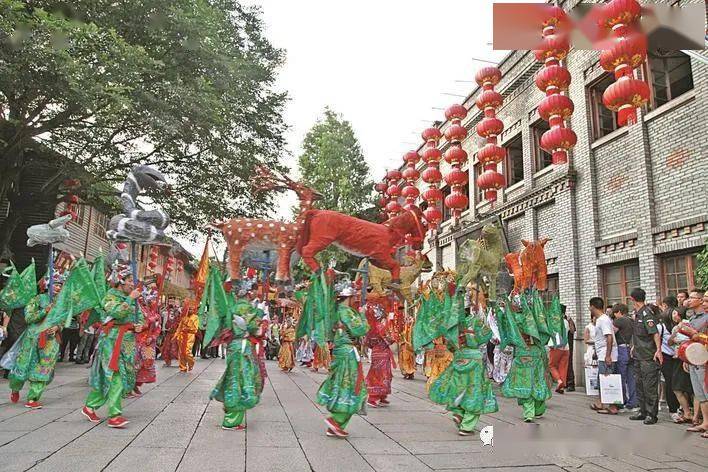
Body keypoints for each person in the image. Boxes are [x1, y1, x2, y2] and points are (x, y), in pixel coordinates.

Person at [430, 285, 498, 436]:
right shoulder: (475, 321)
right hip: (474, 359)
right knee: (475, 391)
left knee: (459, 387)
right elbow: (485, 336)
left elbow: (449, 343)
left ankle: (458, 412)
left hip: (459, 357)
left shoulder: (454, 325)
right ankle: (466, 426)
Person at [82, 271, 144, 428]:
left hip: (128, 342)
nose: (132, 284)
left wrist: (140, 326)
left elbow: (141, 317)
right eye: (130, 280)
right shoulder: (109, 297)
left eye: (133, 280)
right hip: (112, 341)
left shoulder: (133, 298)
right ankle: (114, 415)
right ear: (120, 281)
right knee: (116, 376)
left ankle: (90, 406)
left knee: (115, 377)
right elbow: (117, 312)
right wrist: (131, 298)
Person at [317, 286, 369, 438]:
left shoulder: (335, 311)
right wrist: (363, 316)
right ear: (349, 297)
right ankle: (336, 420)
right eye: (354, 296)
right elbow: (360, 329)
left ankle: (336, 426)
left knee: (342, 384)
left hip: (341, 350)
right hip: (347, 353)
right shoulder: (345, 312)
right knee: (352, 386)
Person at [210, 291, 264, 431]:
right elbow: (255, 329)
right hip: (243, 348)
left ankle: (230, 411)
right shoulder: (250, 309)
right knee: (243, 380)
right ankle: (231, 420)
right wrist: (260, 313)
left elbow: (224, 328)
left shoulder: (230, 308)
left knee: (232, 377)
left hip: (233, 347)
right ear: (248, 295)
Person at [7, 277, 64, 408]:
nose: (58, 288)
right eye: (55, 284)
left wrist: (57, 327)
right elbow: (28, 317)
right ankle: (15, 388)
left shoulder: (61, 302)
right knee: (23, 365)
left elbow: (63, 319)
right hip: (33, 338)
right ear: (47, 285)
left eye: (60, 285)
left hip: (50, 340)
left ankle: (33, 398)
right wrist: (45, 310)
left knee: (44, 367)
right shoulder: (37, 299)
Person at [629, 287, 663, 425]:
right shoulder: (637, 314)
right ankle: (642, 411)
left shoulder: (646, 314)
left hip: (648, 356)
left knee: (649, 386)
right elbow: (638, 334)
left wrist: (658, 350)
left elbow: (654, 333)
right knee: (639, 384)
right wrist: (633, 347)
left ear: (633, 299)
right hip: (638, 355)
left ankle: (651, 414)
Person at [682, 289, 707, 436]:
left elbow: (699, 337)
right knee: (699, 393)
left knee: (705, 391)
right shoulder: (692, 317)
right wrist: (686, 357)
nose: (689, 300)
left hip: (704, 358)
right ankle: (705, 422)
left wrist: (697, 336)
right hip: (694, 357)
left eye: (693, 298)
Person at [589, 298, 619, 414]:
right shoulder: (601, 319)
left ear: (593, 307)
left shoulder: (603, 320)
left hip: (607, 355)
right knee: (602, 379)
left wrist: (607, 356)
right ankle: (600, 403)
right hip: (602, 353)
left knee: (608, 379)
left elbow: (609, 337)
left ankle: (613, 407)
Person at [667, 306, 694, 424]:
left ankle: (689, 413)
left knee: (680, 388)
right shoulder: (676, 327)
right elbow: (670, 342)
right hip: (679, 359)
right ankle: (688, 412)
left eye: (674, 313)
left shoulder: (687, 325)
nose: (673, 316)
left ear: (679, 314)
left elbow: (687, 341)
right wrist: (674, 333)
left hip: (684, 359)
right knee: (683, 388)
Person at [365, 305, 395, 408]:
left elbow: (367, 343)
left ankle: (382, 396)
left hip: (375, 353)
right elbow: (390, 339)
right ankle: (373, 398)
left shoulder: (371, 328)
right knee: (382, 375)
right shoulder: (381, 327)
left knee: (377, 374)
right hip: (382, 354)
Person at [133, 296, 161, 395]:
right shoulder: (140, 311)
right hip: (138, 340)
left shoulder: (157, 316)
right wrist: (146, 324)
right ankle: (131, 385)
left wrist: (152, 337)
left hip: (149, 344)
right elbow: (138, 325)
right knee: (136, 362)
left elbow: (158, 329)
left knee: (147, 363)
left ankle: (137, 383)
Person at [611, 303, 637, 409]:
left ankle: (621, 401)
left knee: (621, 376)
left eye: (615, 313)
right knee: (631, 378)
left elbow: (611, 333)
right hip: (631, 349)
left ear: (619, 312)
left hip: (621, 349)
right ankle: (633, 401)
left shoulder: (619, 320)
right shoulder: (632, 320)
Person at [658, 296, 679, 415]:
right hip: (679, 354)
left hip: (666, 354)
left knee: (670, 382)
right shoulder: (680, 316)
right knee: (675, 382)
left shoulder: (662, 320)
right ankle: (679, 408)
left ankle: (674, 409)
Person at [548, 309, 570, 394]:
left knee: (551, 366)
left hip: (556, 347)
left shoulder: (554, 322)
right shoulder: (566, 322)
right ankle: (561, 387)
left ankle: (559, 381)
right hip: (566, 348)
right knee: (563, 367)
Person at [175, 299, 199, 373]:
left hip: (189, 336)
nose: (190, 311)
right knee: (181, 352)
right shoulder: (184, 317)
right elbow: (179, 328)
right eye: (189, 309)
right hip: (182, 336)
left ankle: (191, 363)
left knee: (187, 352)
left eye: (192, 309)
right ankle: (183, 367)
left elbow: (195, 329)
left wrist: (188, 328)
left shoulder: (195, 317)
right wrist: (175, 336)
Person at [398, 315, 416, 380]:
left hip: (410, 348)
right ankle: (406, 373)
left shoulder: (413, 329)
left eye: (409, 321)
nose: (408, 322)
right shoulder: (403, 329)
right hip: (404, 347)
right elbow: (400, 336)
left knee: (411, 360)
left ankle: (411, 373)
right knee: (405, 360)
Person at [564, 306, 577, 392]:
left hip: (568, 345)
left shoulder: (568, 320)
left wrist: (570, 321)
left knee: (569, 364)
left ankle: (570, 384)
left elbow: (572, 330)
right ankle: (564, 383)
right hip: (560, 346)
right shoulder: (556, 319)